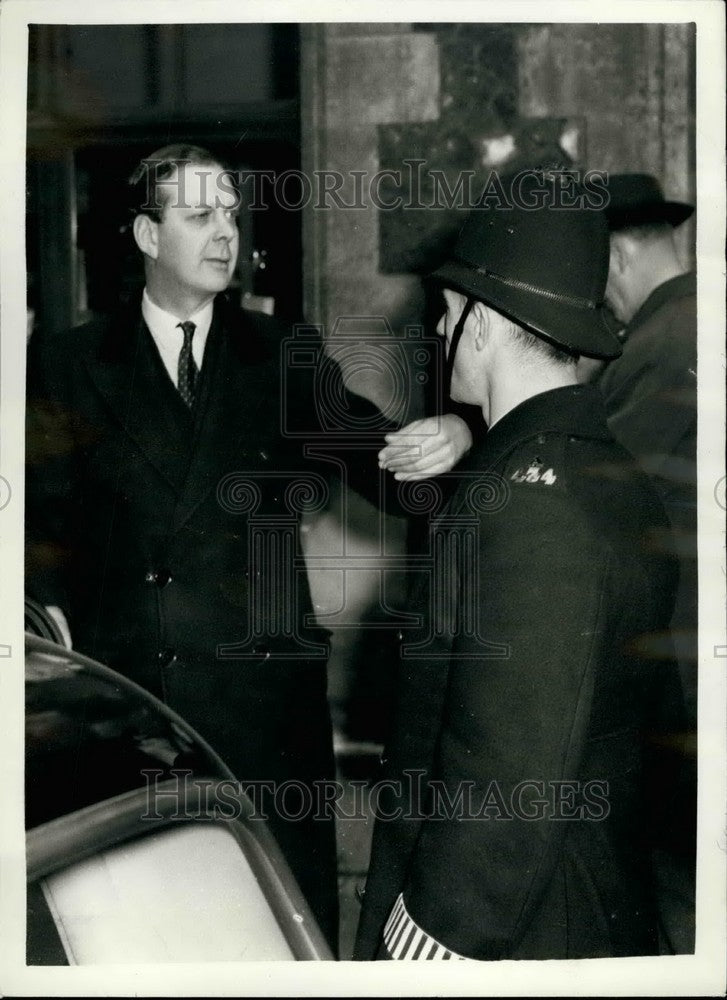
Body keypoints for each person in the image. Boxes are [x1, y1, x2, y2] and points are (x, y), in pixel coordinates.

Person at [24, 144, 473, 951]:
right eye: (200, 215)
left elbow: (383, 461)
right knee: (148, 934)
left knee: (275, 929)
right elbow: (31, 532)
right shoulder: (64, 365)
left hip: (263, 715)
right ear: (146, 236)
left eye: (231, 211)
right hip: (132, 712)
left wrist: (452, 434)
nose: (225, 230)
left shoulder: (280, 353)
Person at [355, 172, 685, 961]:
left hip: (519, 925)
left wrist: (435, 934)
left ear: (482, 324)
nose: (437, 332)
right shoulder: (604, 474)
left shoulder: (529, 504)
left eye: (446, 310)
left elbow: (508, 766)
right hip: (584, 893)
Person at [597, 172, 697, 725]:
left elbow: (603, 483)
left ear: (615, 257)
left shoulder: (660, 341)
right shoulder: (699, 317)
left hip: (679, 626)